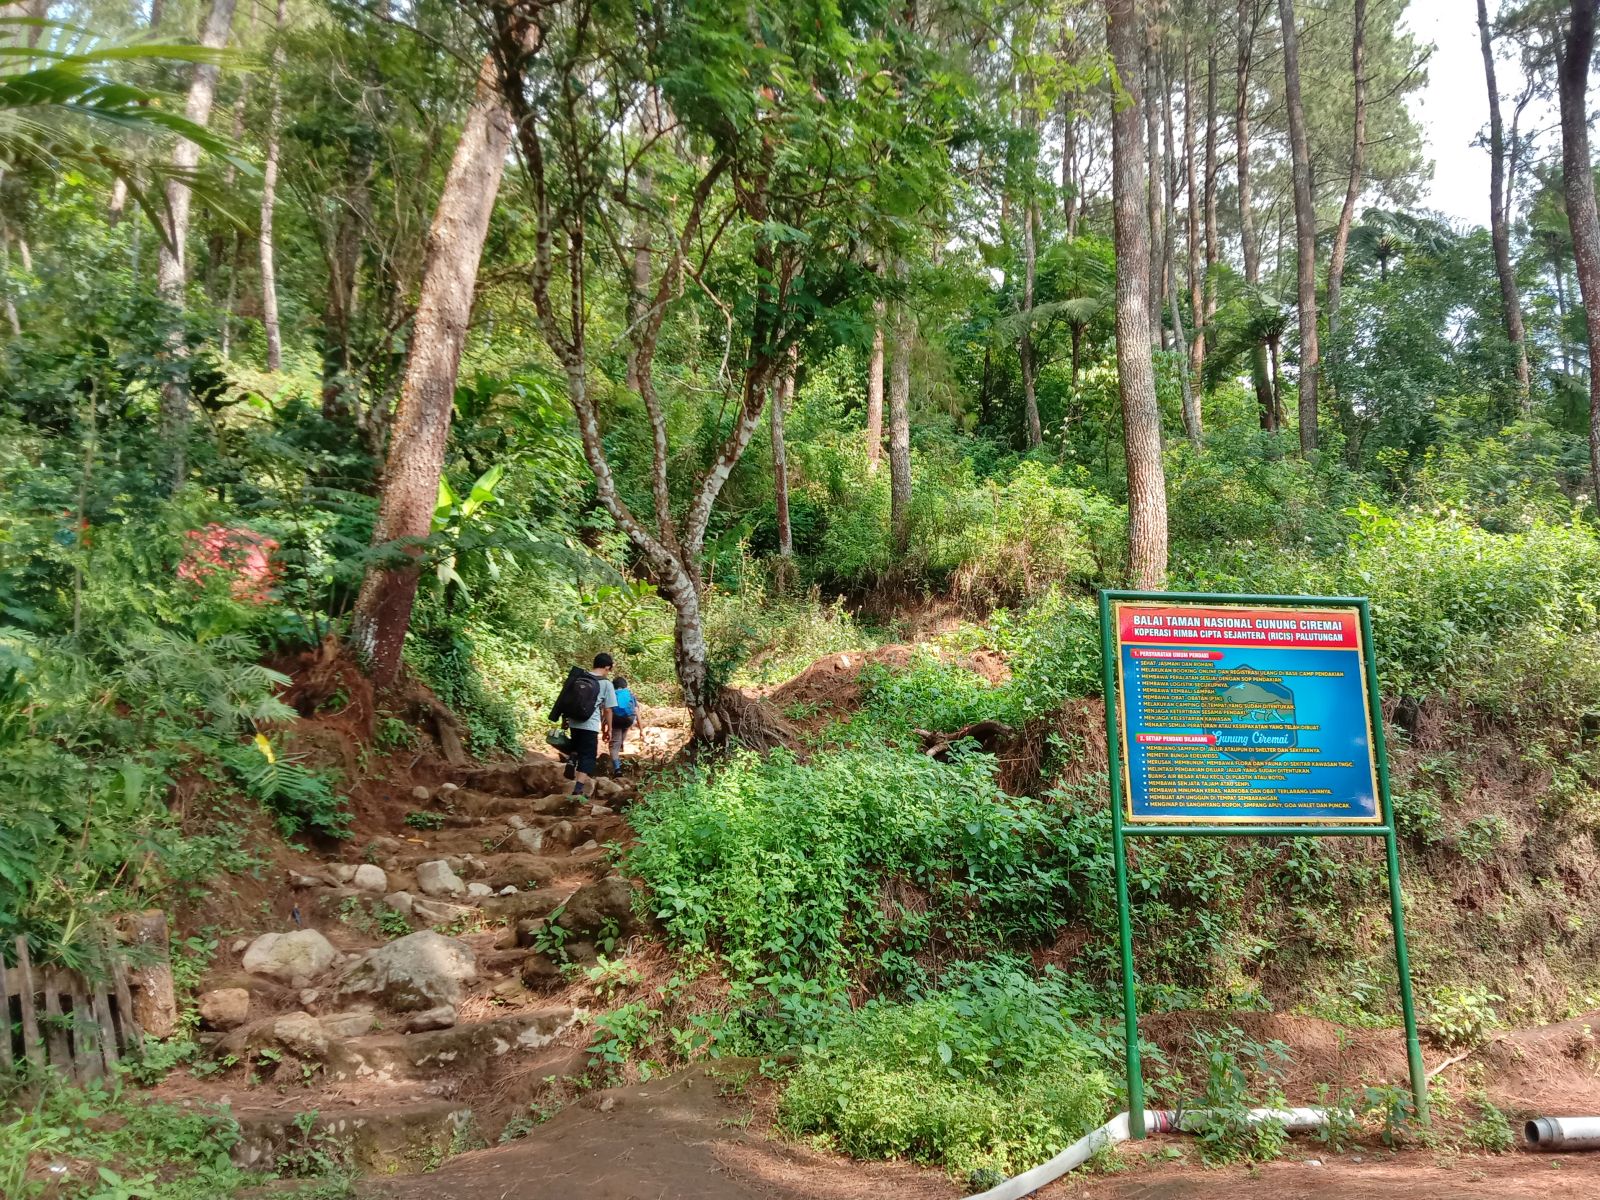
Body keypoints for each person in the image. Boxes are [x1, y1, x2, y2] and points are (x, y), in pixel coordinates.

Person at [567, 652, 616, 797]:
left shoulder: (579, 677)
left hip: (574, 722)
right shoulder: (606, 683)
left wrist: (566, 719)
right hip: (590, 724)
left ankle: (571, 759)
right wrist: (608, 729)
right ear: (607, 667)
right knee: (588, 756)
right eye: (609, 669)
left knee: (576, 747)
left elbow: (567, 699)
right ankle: (578, 789)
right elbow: (608, 709)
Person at [609, 675, 639, 776]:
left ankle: (617, 769)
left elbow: (607, 711)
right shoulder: (630, 694)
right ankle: (621, 743)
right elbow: (636, 712)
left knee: (614, 745)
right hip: (629, 720)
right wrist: (641, 729)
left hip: (616, 720)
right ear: (625, 686)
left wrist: (606, 727)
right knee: (625, 726)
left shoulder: (612, 694)